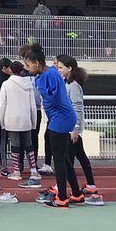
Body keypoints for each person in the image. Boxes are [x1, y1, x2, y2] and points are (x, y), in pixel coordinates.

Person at [24, 45, 81, 208]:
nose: (27, 69)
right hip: (59, 117)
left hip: (61, 118)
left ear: (36, 63)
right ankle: (76, 194)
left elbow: (54, 97)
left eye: (28, 65)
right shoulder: (42, 75)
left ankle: (62, 197)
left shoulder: (50, 74)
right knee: (63, 157)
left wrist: (47, 103)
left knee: (59, 160)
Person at [55, 53, 100, 199]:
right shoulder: (66, 82)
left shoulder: (73, 86)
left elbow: (77, 107)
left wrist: (75, 128)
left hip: (72, 128)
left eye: (61, 67)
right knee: (77, 155)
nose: (58, 69)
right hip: (68, 126)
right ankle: (90, 185)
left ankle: (64, 186)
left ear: (69, 68)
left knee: (68, 157)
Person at [0, 59, 39, 182]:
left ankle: (16, 171)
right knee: (29, 145)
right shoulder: (28, 85)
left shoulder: (6, 84)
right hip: (25, 118)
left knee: (15, 146)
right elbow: (33, 105)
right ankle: (33, 170)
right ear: (22, 71)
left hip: (11, 118)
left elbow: (2, 105)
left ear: (11, 70)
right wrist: (33, 121)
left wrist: (2, 122)